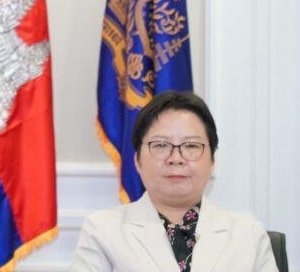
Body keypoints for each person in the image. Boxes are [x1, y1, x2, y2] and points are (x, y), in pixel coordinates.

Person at [70, 91, 278, 272]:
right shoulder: (102, 231)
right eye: (161, 145)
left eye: (191, 146)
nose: (176, 158)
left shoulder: (248, 235)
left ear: (212, 161)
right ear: (137, 161)